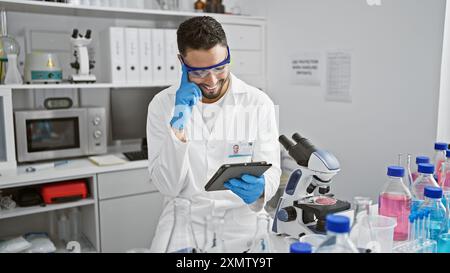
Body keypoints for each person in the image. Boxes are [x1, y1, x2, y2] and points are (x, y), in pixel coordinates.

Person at [146, 16, 281, 252]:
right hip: (185, 221)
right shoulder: (162, 105)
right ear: (182, 61)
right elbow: (167, 186)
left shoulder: (259, 102)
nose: (211, 81)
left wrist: (261, 189)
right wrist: (178, 124)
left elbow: (272, 172)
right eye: (198, 72)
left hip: (241, 223)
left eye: (220, 67)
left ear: (228, 53)